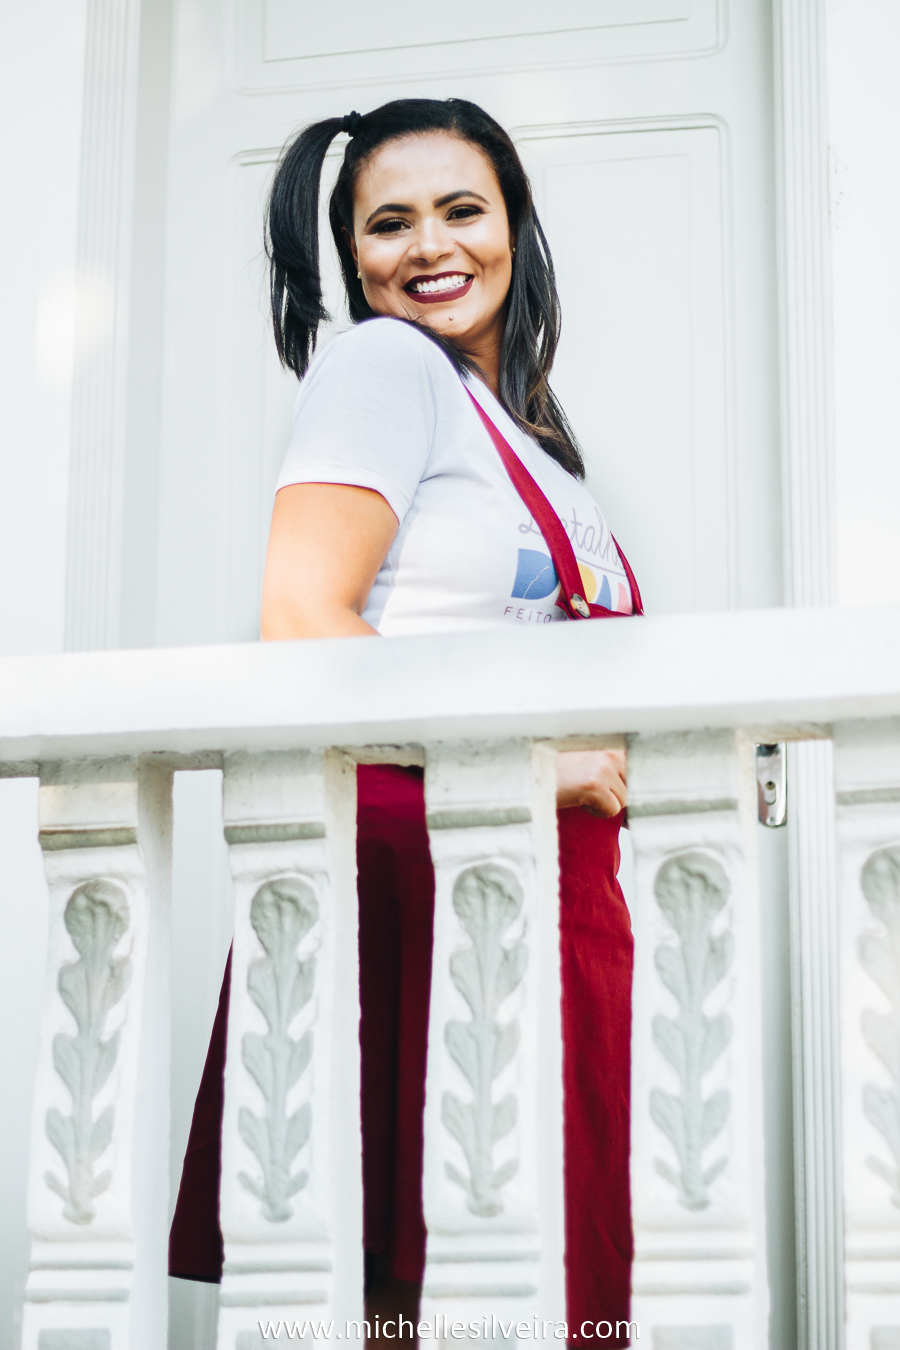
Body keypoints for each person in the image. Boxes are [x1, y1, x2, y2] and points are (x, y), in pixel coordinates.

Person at [169, 97, 640, 1346]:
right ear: (354, 255)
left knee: (540, 1292)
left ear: (515, 227)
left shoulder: (533, 436)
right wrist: (532, 768)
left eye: (462, 209)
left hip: (541, 883)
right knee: (421, 1306)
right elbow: (301, 617)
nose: (429, 244)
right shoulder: (384, 364)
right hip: (421, 869)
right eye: (389, 222)